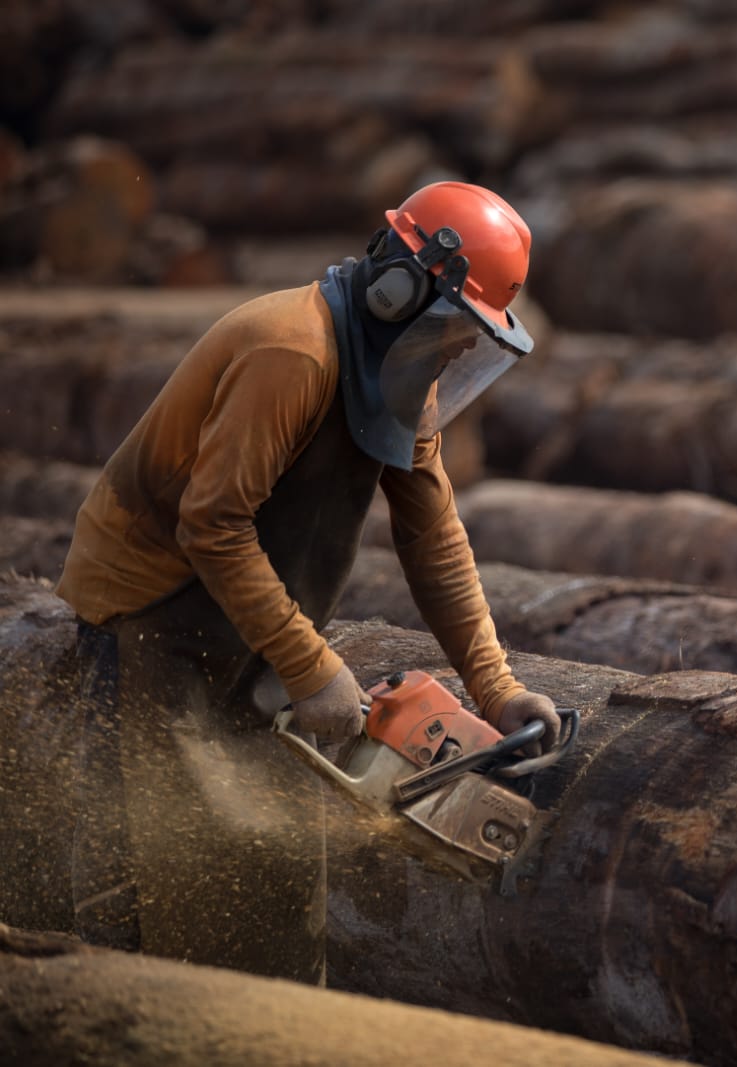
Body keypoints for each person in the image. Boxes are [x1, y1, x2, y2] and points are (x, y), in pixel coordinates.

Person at [57, 181, 561, 983]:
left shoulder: (401, 375)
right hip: (149, 609)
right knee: (165, 866)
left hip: (246, 618)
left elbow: (431, 534)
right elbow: (211, 525)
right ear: (402, 287)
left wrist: (494, 687)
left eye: (475, 337)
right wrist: (309, 661)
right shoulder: (291, 351)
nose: (462, 350)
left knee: (266, 865)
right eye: (456, 326)